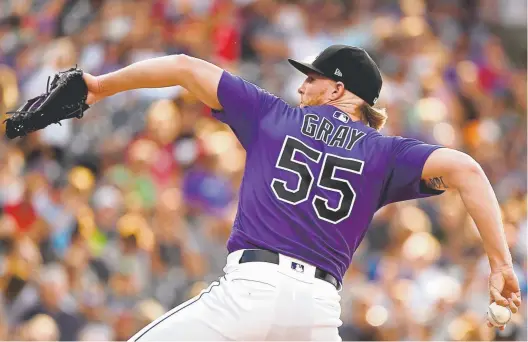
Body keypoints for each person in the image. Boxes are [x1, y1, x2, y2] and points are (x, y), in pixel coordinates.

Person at [82, 45, 522, 341]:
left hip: (250, 292)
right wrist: (501, 263)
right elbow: (466, 169)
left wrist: (100, 86)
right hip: (316, 314)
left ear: (337, 89)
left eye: (311, 80)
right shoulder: (386, 154)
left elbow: (182, 66)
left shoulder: (272, 116)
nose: (301, 87)